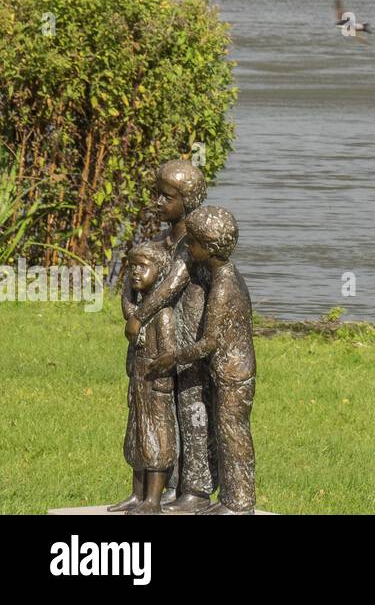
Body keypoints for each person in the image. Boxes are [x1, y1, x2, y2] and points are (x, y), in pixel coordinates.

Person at [149, 206, 256, 515]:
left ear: (208, 249)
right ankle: (231, 500)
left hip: (234, 373)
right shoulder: (225, 275)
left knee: (233, 434)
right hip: (227, 370)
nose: (189, 247)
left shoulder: (223, 287)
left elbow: (209, 342)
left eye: (193, 243)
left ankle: (240, 503)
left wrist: (173, 357)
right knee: (226, 433)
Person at [122, 159, 216, 512]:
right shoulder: (161, 243)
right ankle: (160, 488)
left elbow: (173, 285)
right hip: (159, 343)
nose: (158, 203)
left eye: (167, 197)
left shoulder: (196, 244)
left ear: (188, 201)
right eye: (157, 195)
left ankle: (196, 490)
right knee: (159, 414)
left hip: (190, 337)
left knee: (193, 408)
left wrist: (139, 317)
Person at [114, 239, 177, 514]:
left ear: (160, 273)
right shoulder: (138, 314)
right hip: (138, 383)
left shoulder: (161, 315)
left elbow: (169, 354)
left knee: (157, 442)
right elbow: (128, 310)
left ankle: (153, 499)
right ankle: (136, 494)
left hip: (156, 387)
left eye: (142, 266)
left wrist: (160, 382)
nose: (135, 272)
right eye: (131, 267)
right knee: (136, 438)